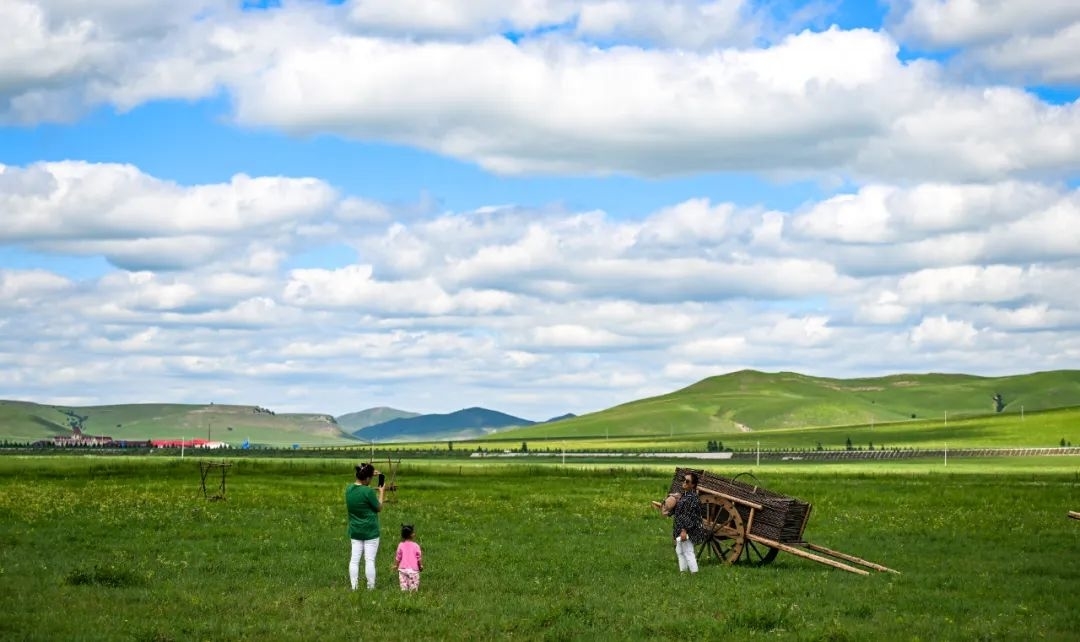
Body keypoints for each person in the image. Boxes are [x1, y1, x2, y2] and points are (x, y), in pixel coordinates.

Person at [346, 462, 385, 590]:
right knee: (369, 560)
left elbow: (358, 482)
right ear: (367, 478)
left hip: (355, 531)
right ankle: (370, 587)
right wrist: (381, 492)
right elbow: (379, 508)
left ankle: (354, 587)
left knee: (354, 560)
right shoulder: (368, 491)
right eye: (370, 478)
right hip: (370, 531)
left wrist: (368, 473)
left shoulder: (349, 490)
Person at [671, 471, 705, 573]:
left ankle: (694, 573)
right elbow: (679, 512)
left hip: (686, 529)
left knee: (688, 551)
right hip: (680, 528)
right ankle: (683, 573)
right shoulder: (685, 496)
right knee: (680, 551)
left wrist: (684, 530)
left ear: (693, 485)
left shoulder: (692, 498)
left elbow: (690, 516)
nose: (684, 482)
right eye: (684, 480)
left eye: (687, 481)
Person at [393, 523, 424, 592]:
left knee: (404, 589)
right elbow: (418, 558)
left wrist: (396, 565)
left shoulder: (400, 545)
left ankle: (404, 600)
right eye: (413, 532)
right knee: (413, 590)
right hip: (413, 570)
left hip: (402, 570)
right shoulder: (416, 546)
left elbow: (398, 557)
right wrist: (420, 566)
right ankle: (411, 600)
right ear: (412, 535)